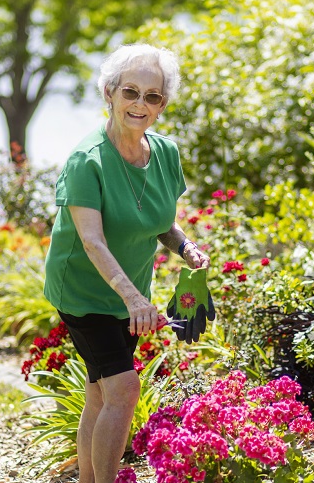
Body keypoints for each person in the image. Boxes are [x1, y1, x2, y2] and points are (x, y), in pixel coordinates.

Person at [42, 43, 211, 483]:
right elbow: (93, 241)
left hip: (129, 296)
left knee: (100, 394)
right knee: (123, 389)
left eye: (152, 96)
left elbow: (160, 223)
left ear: (162, 105)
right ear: (109, 93)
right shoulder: (87, 160)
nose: (140, 104)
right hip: (83, 290)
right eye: (130, 92)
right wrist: (136, 299)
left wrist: (185, 245)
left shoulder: (165, 154)